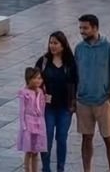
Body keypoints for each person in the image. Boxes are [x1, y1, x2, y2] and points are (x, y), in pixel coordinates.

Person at [73, 13, 110, 172]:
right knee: (86, 138)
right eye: (80, 28)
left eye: (85, 28)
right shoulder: (79, 48)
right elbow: (75, 75)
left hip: (103, 101)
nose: (82, 31)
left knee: (109, 138)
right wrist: (75, 97)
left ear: (95, 28)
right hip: (84, 101)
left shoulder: (109, 47)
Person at [36, 31, 80, 172]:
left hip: (65, 108)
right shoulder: (43, 62)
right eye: (51, 43)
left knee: (61, 138)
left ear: (63, 45)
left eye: (56, 43)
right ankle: (46, 168)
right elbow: (34, 82)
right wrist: (42, 94)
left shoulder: (70, 63)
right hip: (48, 108)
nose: (52, 46)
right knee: (47, 138)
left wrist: (75, 103)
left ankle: (60, 168)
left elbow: (76, 83)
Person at [18, 67, 49, 172]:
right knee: (29, 151)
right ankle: (27, 169)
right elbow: (22, 110)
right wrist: (23, 125)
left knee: (36, 151)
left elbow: (41, 108)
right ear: (29, 79)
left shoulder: (40, 91)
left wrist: (45, 100)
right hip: (29, 123)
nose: (38, 81)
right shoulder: (25, 93)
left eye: (39, 78)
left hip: (39, 122)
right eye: (35, 78)